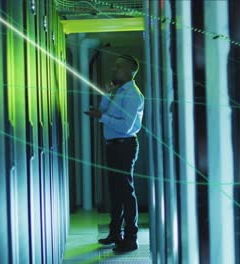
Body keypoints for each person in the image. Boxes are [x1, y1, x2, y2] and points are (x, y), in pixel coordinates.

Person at [84, 54, 144, 253]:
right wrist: (105, 96)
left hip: (125, 145)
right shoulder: (118, 91)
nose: (114, 69)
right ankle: (115, 233)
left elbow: (127, 127)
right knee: (116, 192)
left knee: (126, 192)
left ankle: (131, 239)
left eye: (118, 67)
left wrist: (103, 117)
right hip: (114, 145)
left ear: (129, 71)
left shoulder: (132, 94)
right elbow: (104, 111)